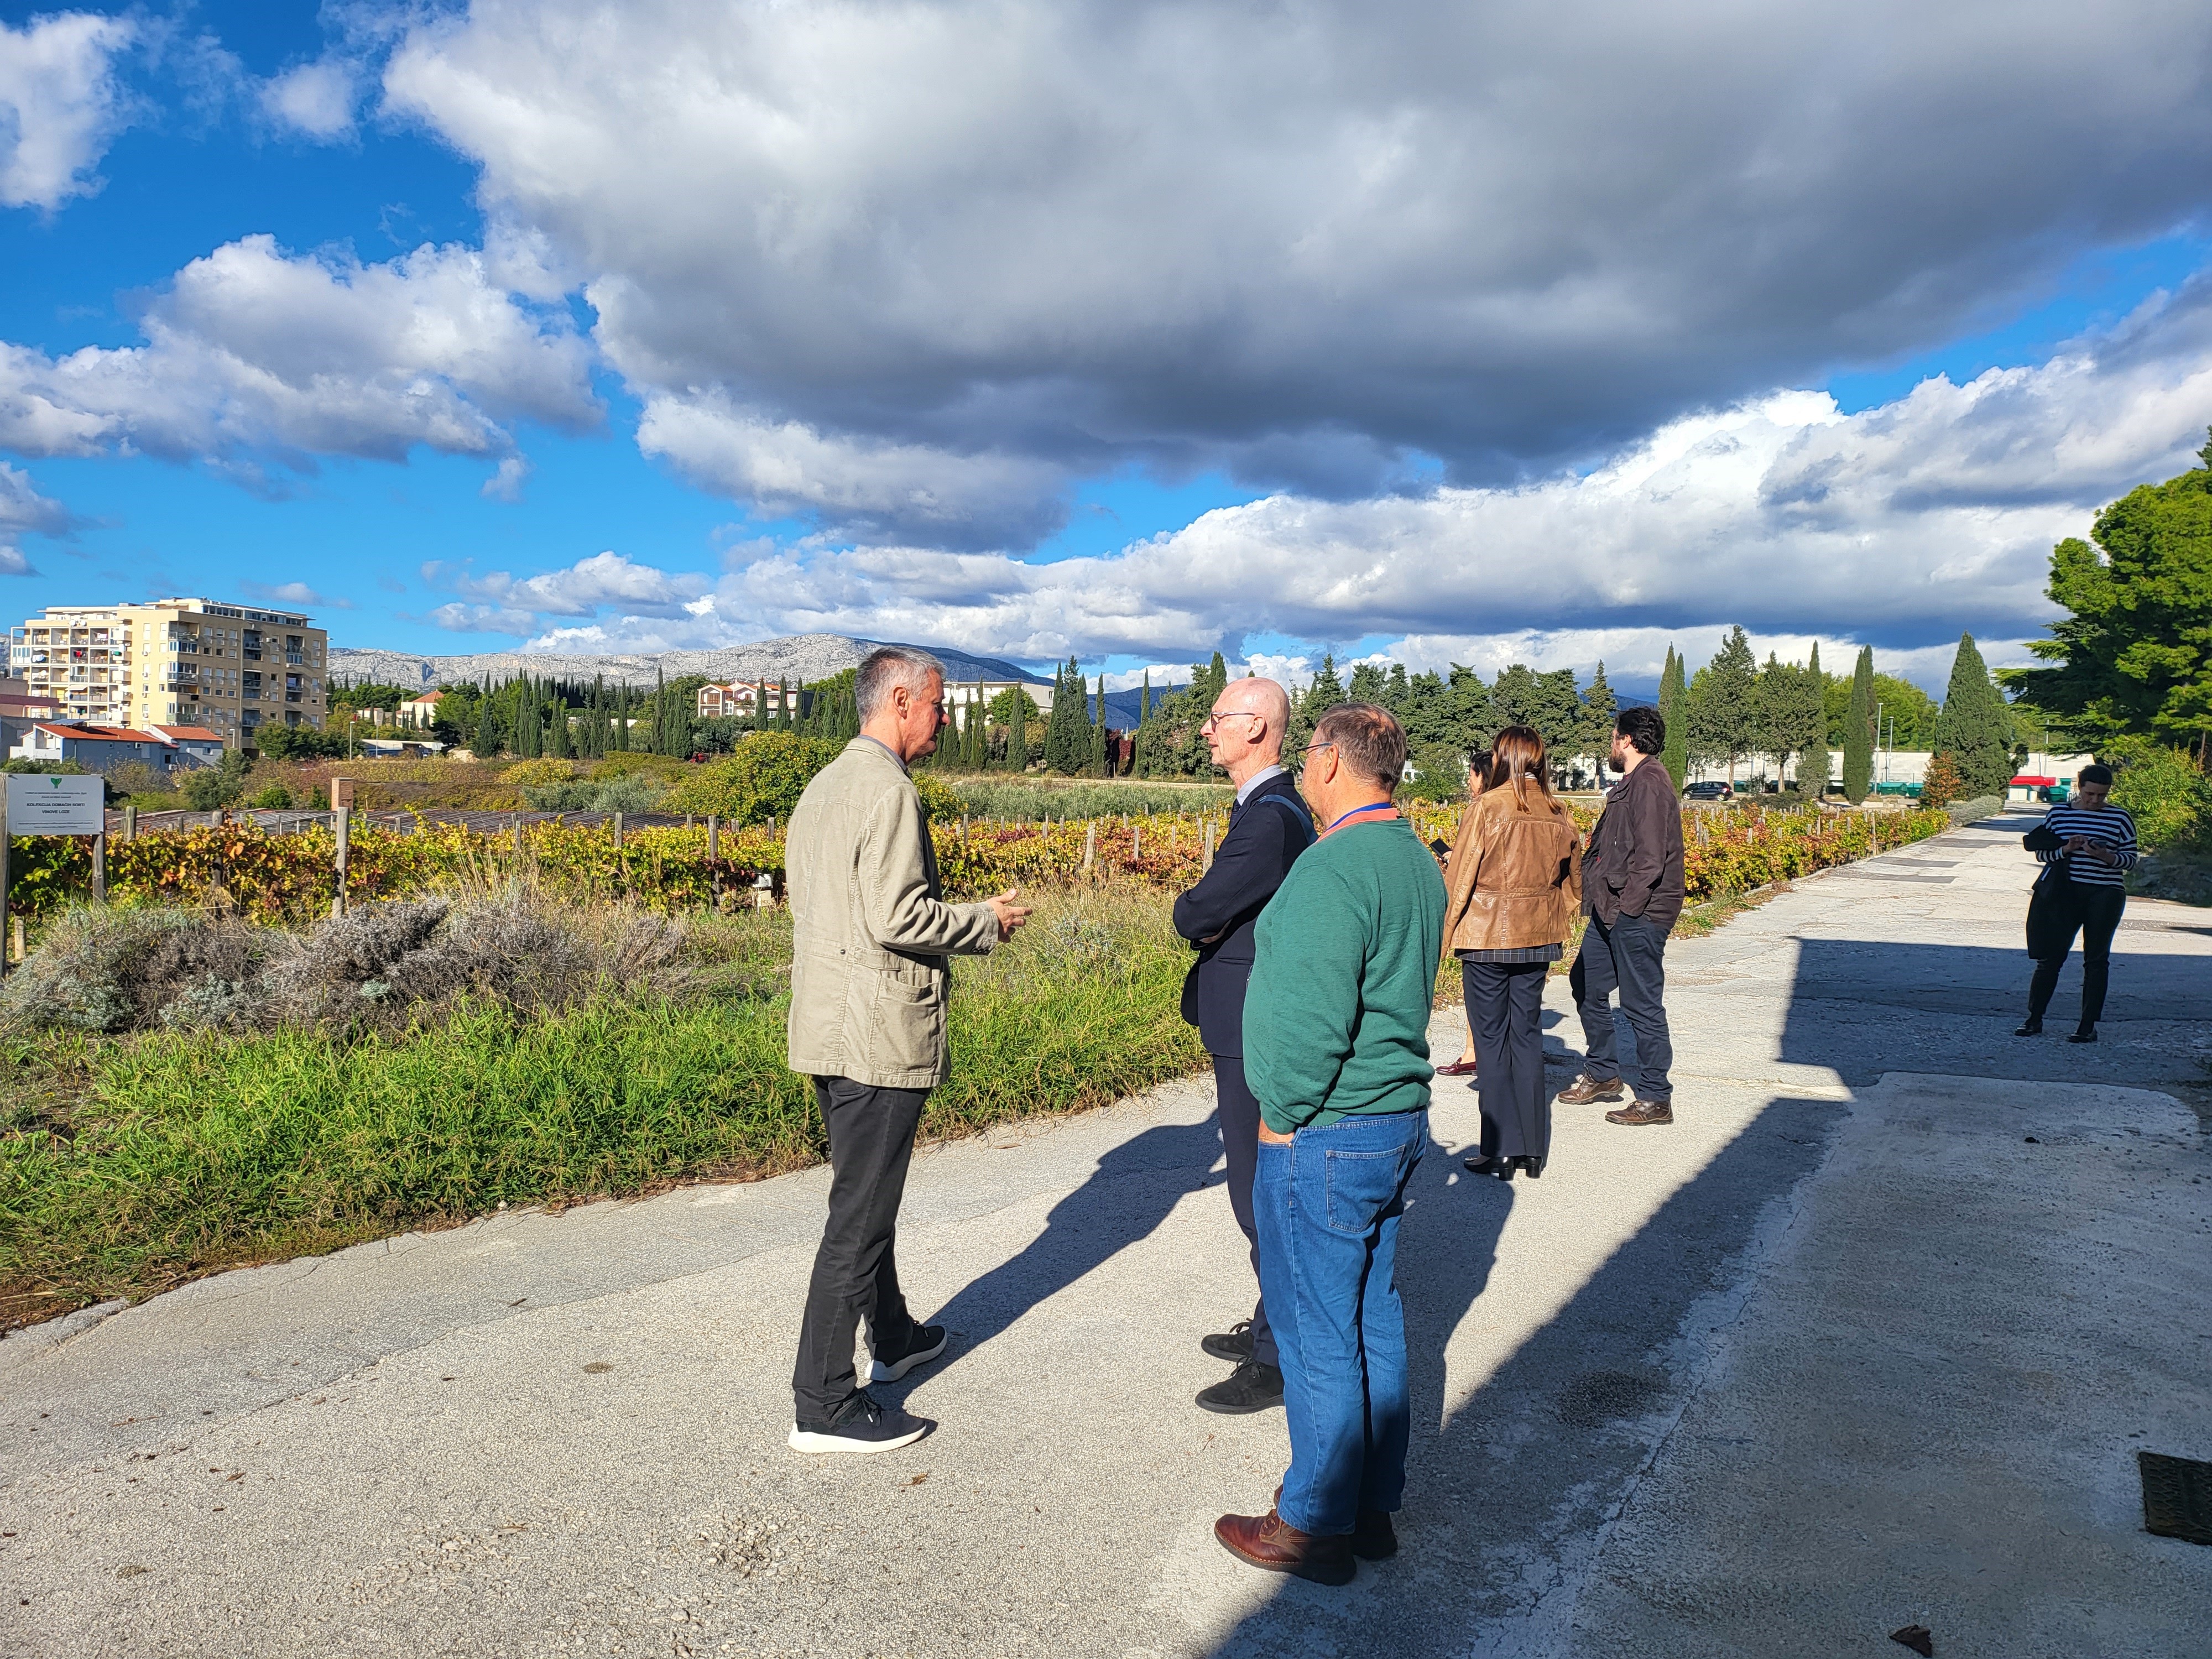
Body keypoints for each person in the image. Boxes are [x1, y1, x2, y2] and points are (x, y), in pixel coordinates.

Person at [1214, 703, 1447, 1587]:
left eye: (1310, 748)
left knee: (1317, 1330)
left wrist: (1282, 1109)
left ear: (1331, 763)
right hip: (1394, 1120)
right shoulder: (1413, 856)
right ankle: (1371, 1504)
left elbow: (1308, 1021)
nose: (1304, 762)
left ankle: (1312, 1521)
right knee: (1373, 1315)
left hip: (1329, 1127)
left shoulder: (1331, 867)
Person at [784, 646, 1031, 1453]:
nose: (945, 719)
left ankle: (893, 1340)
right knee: (858, 1217)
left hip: (827, 1025)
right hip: (879, 1031)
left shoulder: (824, 787)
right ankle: (822, 1404)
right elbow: (897, 918)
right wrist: (984, 920)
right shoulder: (889, 792)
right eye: (937, 704)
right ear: (898, 701)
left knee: (866, 1194)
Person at [1171, 675, 1313, 1414]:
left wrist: (1194, 913)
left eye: (1218, 718)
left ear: (1258, 727)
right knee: (1259, 1185)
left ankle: (1278, 1352)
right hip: (1252, 1011)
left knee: (1258, 1189)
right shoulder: (1276, 808)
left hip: (1253, 1018)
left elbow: (1199, 909)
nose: (1206, 730)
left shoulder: (1267, 818)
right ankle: (1270, 1324)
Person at [1441, 727, 1582, 1180]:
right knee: (1526, 1036)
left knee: (1490, 1041)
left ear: (1502, 759)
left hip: (1486, 937)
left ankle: (1499, 1149)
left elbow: (1460, 878)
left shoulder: (1487, 807)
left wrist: (1443, 938)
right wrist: (1556, 914)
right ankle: (1533, 1151)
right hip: (1538, 936)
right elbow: (1574, 883)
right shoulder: (1560, 812)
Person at [1562, 705, 1686, 1128]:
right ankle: (1603, 1073)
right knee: (1586, 984)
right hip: (1611, 909)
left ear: (1627, 740)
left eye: (1614, 737)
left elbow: (1651, 859)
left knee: (1641, 1003)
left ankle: (1655, 1097)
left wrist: (1629, 909)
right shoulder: (1632, 783)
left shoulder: (1649, 782)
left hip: (1637, 912)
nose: (1611, 745)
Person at [2016, 763, 2137, 1043]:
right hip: (2064, 893)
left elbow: (2131, 860)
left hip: (2105, 893)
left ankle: (2087, 1025)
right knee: (2050, 958)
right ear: (2079, 787)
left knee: (2096, 960)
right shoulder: (2059, 813)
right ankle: (2034, 1019)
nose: (2095, 800)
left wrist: (2106, 857)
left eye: (2101, 796)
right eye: (2090, 794)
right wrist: (2066, 849)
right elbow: (2041, 854)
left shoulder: (2120, 818)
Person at [1434, 749, 1490, 1081]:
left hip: (1479, 915)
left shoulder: (1480, 810)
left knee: (1478, 992)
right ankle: (1478, 1052)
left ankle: (1474, 1053)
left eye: (1471, 775)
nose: (1469, 783)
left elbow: (1470, 866)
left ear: (1482, 776)